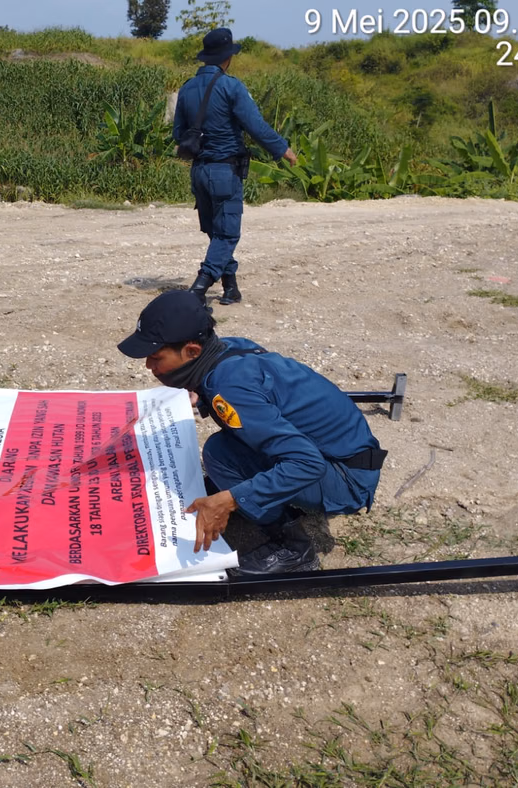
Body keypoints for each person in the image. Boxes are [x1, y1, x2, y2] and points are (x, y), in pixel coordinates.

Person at [118, 290, 386, 574]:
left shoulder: (230, 387)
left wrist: (230, 499)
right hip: (343, 454)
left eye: (156, 357)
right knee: (227, 448)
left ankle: (294, 549)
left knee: (220, 454)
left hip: (346, 478)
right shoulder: (229, 350)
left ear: (192, 351)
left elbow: (307, 464)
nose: (149, 366)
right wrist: (198, 392)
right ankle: (256, 500)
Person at [173, 27, 298, 307]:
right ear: (228, 57)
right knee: (228, 234)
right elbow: (255, 126)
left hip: (199, 171)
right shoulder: (231, 87)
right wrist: (283, 149)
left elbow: (178, 133)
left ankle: (231, 288)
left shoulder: (187, 88)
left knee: (217, 232)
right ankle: (200, 287)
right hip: (224, 172)